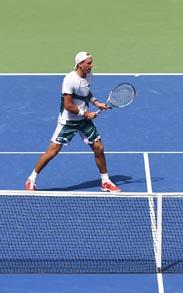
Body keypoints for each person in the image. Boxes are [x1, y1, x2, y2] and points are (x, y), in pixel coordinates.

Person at [25, 51, 121, 192]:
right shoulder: (69, 80)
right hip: (69, 120)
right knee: (53, 151)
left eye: (91, 62)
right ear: (80, 64)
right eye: (88, 63)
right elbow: (68, 105)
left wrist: (97, 102)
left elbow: (86, 93)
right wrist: (86, 113)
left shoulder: (88, 76)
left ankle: (105, 181)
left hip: (83, 120)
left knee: (99, 147)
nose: (91, 65)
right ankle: (31, 179)